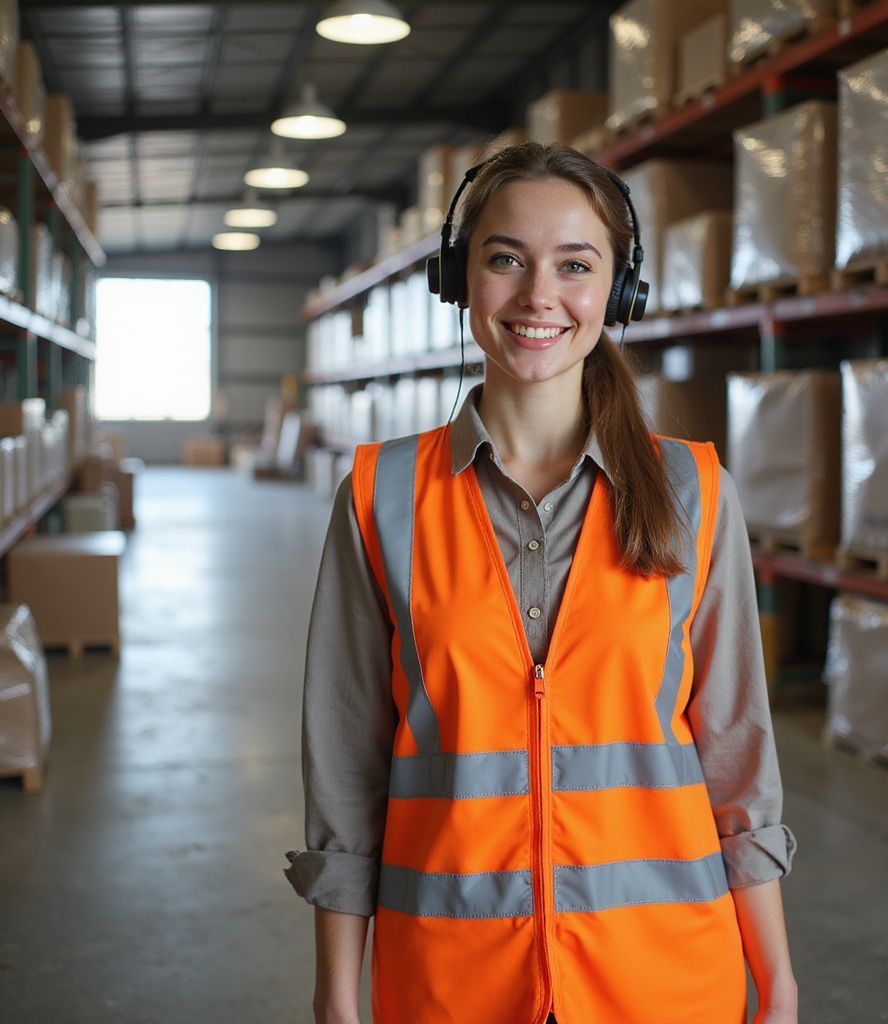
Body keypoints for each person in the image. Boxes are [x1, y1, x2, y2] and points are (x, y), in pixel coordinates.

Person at [285, 143, 798, 1024]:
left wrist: (778, 982)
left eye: (576, 265)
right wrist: (338, 995)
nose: (538, 296)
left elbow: (738, 758)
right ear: (460, 280)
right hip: (450, 984)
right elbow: (345, 775)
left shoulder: (693, 493)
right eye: (505, 259)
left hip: (665, 982)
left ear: (619, 293)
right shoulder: (381, 498)